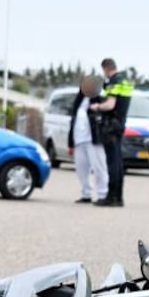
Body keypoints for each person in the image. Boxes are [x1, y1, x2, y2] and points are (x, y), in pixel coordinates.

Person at [88, 58, 134, 207]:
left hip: (111, 126)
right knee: (118, 162)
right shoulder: (125, 80)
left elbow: (110, 105)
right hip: (120, 124)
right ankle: (119, 197)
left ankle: (111, 197)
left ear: (106, 68)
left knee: (112, 162)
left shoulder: (114, 81)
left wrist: (97, 107)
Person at [66, 74, 108, 204]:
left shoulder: (99, 99)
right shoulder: (78, 102)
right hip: (79, 140)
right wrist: (71, 142)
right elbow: (73, 122)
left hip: (94, 139)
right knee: (81, 169)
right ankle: (86, 193)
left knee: (99, 167)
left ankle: (103, 194)